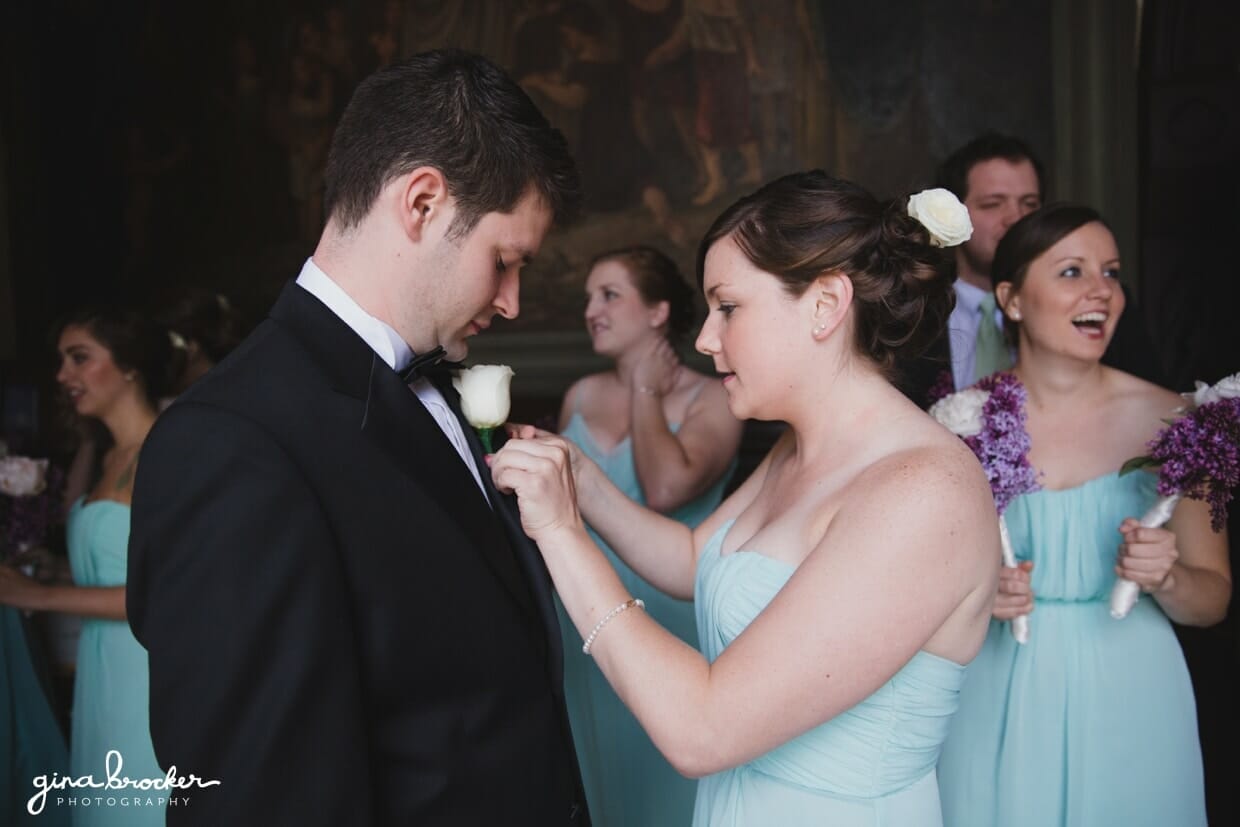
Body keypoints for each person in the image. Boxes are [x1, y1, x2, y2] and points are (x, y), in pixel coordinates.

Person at [126, 50, 586, 826]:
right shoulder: (232, 447)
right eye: (504, 261)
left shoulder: (433, 380)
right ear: (422, 203)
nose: (511, 302)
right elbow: (259, 796)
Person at [491, 170, 1001, 826]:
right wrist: (580, 479)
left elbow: (701, 729)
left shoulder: (925, 492)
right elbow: (691, 556)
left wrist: (561, 532)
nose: (704, 339)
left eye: (727, 307)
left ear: (825, 304)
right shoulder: (798, 448)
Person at [935, 204, 1230, 827]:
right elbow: (907, 592)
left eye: (1112, 272)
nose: (1102, 290)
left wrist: (1167, 579)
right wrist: (970, 598)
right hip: (993, 688)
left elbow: (1213, 600)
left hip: (1132, 692)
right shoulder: (957, 425)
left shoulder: (1178, 423)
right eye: (1072, 272)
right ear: (1012, 299)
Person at [558, 245, 742, 826]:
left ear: (658, 312)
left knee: (665, 792)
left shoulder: (714, 397)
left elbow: (665, 488)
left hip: (666, 619)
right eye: (589, 297)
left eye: (609, 295)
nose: (592, 310)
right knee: (599, 781)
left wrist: (646, 391)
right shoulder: (581, 395)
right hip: (581, 620)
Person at [0, 306, 173, 826]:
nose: (62, 376)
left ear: (130, 366)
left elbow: (162, 593)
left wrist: (33, 596)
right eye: (61, 360)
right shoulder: (99, 457)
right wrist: (47, 571)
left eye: (79, 358)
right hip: (100, 672)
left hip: (145, 672)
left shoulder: (165, 451)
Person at [899, 133, 1044, 405]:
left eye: (1030, 204)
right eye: (992, 204)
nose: (1017, 218)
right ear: (954, 214)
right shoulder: (910, 310)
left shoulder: (1084, 304)